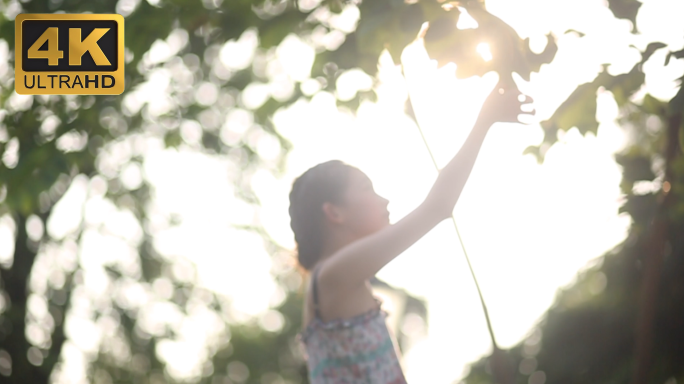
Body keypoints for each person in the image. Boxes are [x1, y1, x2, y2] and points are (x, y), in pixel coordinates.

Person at [287, 70, 534, 382]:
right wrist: (485, 119)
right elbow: (438, 206)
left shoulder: (334, 280)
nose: (383, 199)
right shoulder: (332, 276)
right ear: (334, 213)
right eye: (366, 188)